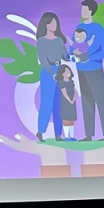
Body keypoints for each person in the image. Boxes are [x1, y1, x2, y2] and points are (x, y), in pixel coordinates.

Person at [73, 0, 104, 142]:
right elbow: (73, 46)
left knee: (101, 100)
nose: (82, 11)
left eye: (85, 9)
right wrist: (73, 53)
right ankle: (88, 135)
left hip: (95, 69)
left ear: (91, 11)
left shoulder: (98, 28)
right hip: (81, 69)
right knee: (86, 101)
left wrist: (89, 56)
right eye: (81, 9)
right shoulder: (79, 27)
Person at [35, 12, 67, 142]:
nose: (54, 25)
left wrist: (73, 52)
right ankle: (40, 132)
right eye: (51, 22)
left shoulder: (59, 40)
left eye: (55, 22)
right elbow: (43, 60)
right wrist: (52, 73)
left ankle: (58, 134)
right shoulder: (41, 41)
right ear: (45, 24)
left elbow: (66, 56)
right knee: (46, 104)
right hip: (48, 73)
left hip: (59, 71)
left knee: (58, 105)